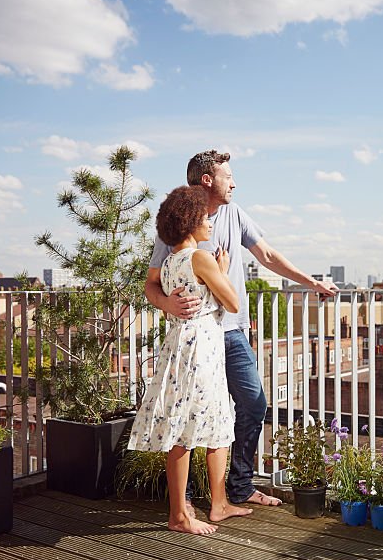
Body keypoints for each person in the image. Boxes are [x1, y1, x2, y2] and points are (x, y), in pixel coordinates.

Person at [145, 150, 338, 508]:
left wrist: (311, 282)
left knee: (252, 405)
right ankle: (184, 501)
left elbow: (267, 255)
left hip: (232, 332)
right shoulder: (178, 223)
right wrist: (166, 303)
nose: (234, 182)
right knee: (188, 413)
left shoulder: (234, 213)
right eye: (228, 176)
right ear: (207, 180)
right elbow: (152, 283)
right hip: (196, 336)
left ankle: (238, 487)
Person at [128, 185, 252, 535]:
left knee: (203, 421)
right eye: (203, 218)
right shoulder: (201, 258)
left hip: (184, 343)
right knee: (198, 424)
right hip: (203, 347)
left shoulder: (169, 263)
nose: (209, 223)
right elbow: (233, 303)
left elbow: (162, 292)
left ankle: (215, 504)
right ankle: (184, 514)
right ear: (188, 222)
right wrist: (223, 269)